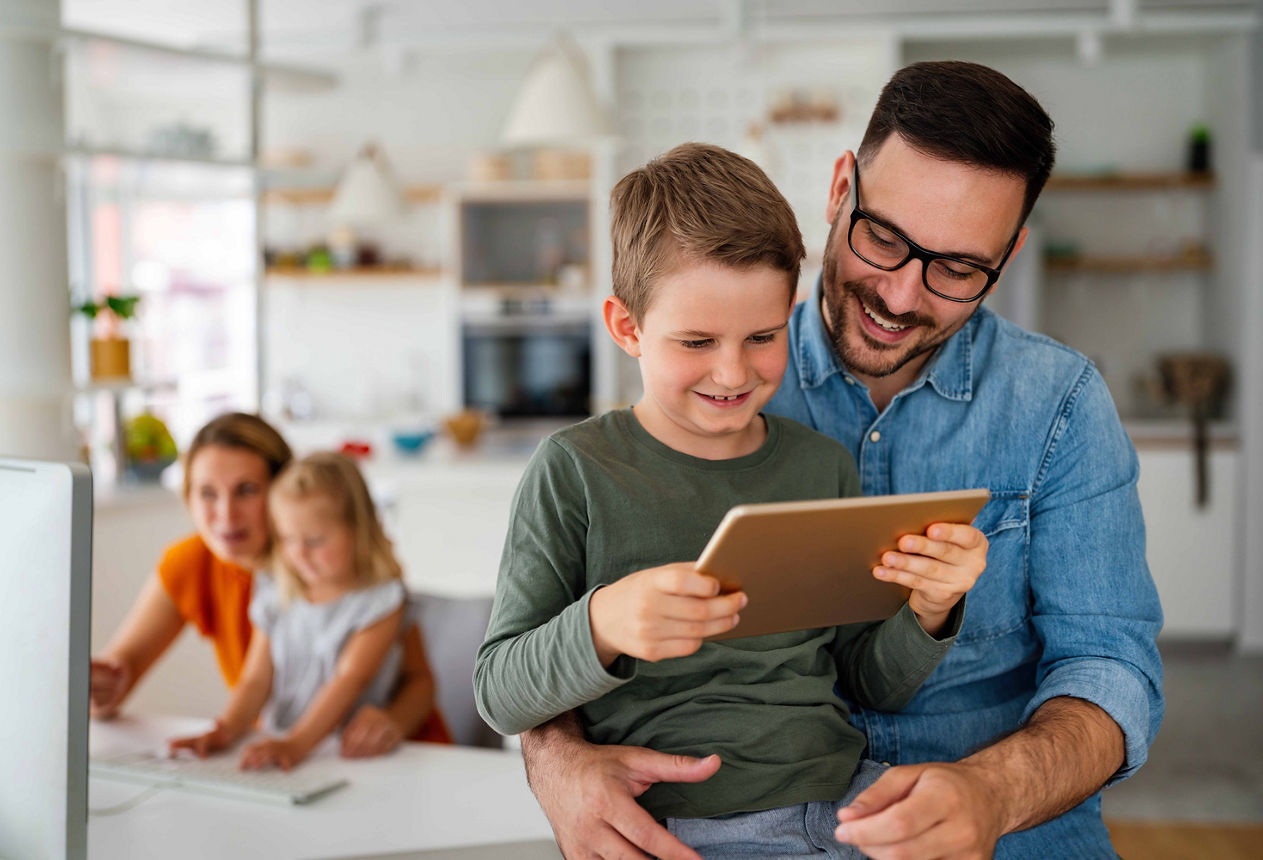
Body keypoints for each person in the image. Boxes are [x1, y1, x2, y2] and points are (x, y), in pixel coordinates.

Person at [518, 61, 1165, 860]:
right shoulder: (722, 381)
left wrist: (993, 792)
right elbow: (534, 642)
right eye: (883, 237)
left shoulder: (1061, 404)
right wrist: (556, 759)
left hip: (1013, 828)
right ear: (838, 190)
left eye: (958, 269)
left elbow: (1112, 670)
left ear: (1009, 255)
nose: (900, 295)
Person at [474, 142, 989, 856]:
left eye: (763, 337)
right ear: (628, 328)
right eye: (696, 340)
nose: (732, 371)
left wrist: (932, 611)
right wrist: (605, 623)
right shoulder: (576, 470)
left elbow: (868, 681)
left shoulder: (820, 466)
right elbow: (499, 692)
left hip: (846, 808)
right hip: (689, 829)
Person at [90, 412, 449, 756]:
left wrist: (392, 721)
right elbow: (116, 675)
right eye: (207, 493)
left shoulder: (344, 571)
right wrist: (101, 690)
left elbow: (420, 681)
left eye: (246, 490)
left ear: (282, 489)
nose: (226, 515)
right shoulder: (192, 564)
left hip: (392, 750)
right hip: (293, 753)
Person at [168, 451, 437, 770]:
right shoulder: (276, 591)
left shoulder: (380, 601)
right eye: (286, 539)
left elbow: (349, 678)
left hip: (347, 755)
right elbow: (255, 680)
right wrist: (225, 729)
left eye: (314, 540)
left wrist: (296, 744)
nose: (299, 554)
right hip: (283, 748)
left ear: (357, 529)